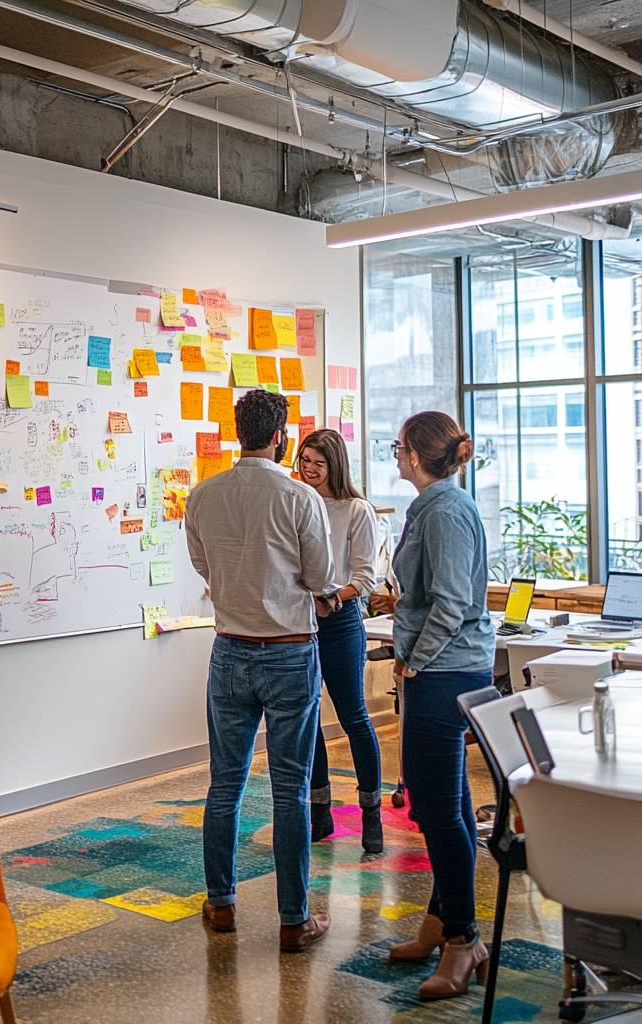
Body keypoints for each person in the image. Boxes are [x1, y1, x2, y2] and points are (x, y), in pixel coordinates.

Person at [185, 389, 335, 953]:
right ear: (281, 436)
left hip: (229, 649)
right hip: (291, 650)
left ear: (236, 430)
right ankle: (294, 920)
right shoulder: (300, 497)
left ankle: (221, 903)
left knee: (225, 783)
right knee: (290, 788)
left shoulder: (203, 495)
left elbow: (203, 563)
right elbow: (319, 577)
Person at [368, 410, 494, 1000]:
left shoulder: (445, 512)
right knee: (451, 804)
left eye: (398, 446)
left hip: (445, 671)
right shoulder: (434, 505)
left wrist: (414, 657)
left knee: (439, 811)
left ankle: (464, 939)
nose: (395, 454)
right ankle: (442, 923)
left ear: (417, 455)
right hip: (440, 665)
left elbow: (452, 601)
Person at [295, 429, 383, 854]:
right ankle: (320, 810)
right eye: (304, 460)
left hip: (342, 620)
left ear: (335, 465)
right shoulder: (295, 501)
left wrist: (331, 596)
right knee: (308, 720)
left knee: (354, 718)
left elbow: (367, 578)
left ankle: (371, 812)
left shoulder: (355, 510)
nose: (308, 469)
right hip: (299, 622)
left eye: (318, 462)